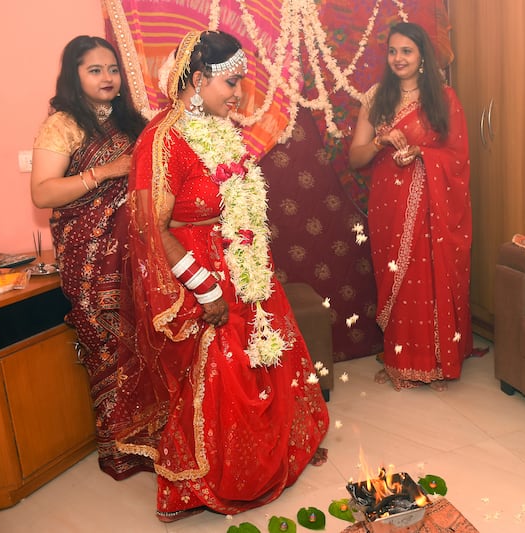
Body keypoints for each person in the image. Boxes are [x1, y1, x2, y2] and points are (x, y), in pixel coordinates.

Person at [116, 30, 329, 522]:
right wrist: (205, 285)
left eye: (241, 83)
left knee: (267, 353)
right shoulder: (163, 139)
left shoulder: (220, 127)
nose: (238, 94)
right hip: (202, 278)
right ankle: (224, 478)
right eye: (231, 83)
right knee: (222, 376)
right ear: (197, 79)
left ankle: (272, 457)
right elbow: (153, 228)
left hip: (243, 264)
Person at [30, 35, 150, 480]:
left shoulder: (131, 123)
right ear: (74, 75)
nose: (106, 77)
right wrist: (104, 171)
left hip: (136, 252)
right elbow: (43, 192)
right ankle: (119, 447)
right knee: (108, 344)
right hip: (90, 256)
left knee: (146, 340)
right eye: (94, 70)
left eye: (112, 69)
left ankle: (156, 440)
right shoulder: (62, 124)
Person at [349, 22, 473, 391]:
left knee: (431, 272)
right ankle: (403, 360)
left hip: (432, 205)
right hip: (389, 204)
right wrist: (381, 141)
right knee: (399, 280)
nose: (398, 58)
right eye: (393, 51)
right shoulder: (376, 97)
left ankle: (436, 360)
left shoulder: (443, 98)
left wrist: (423, 154)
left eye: (407, 51)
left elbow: (457, 156)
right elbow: (355, 157)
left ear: (421, 57)